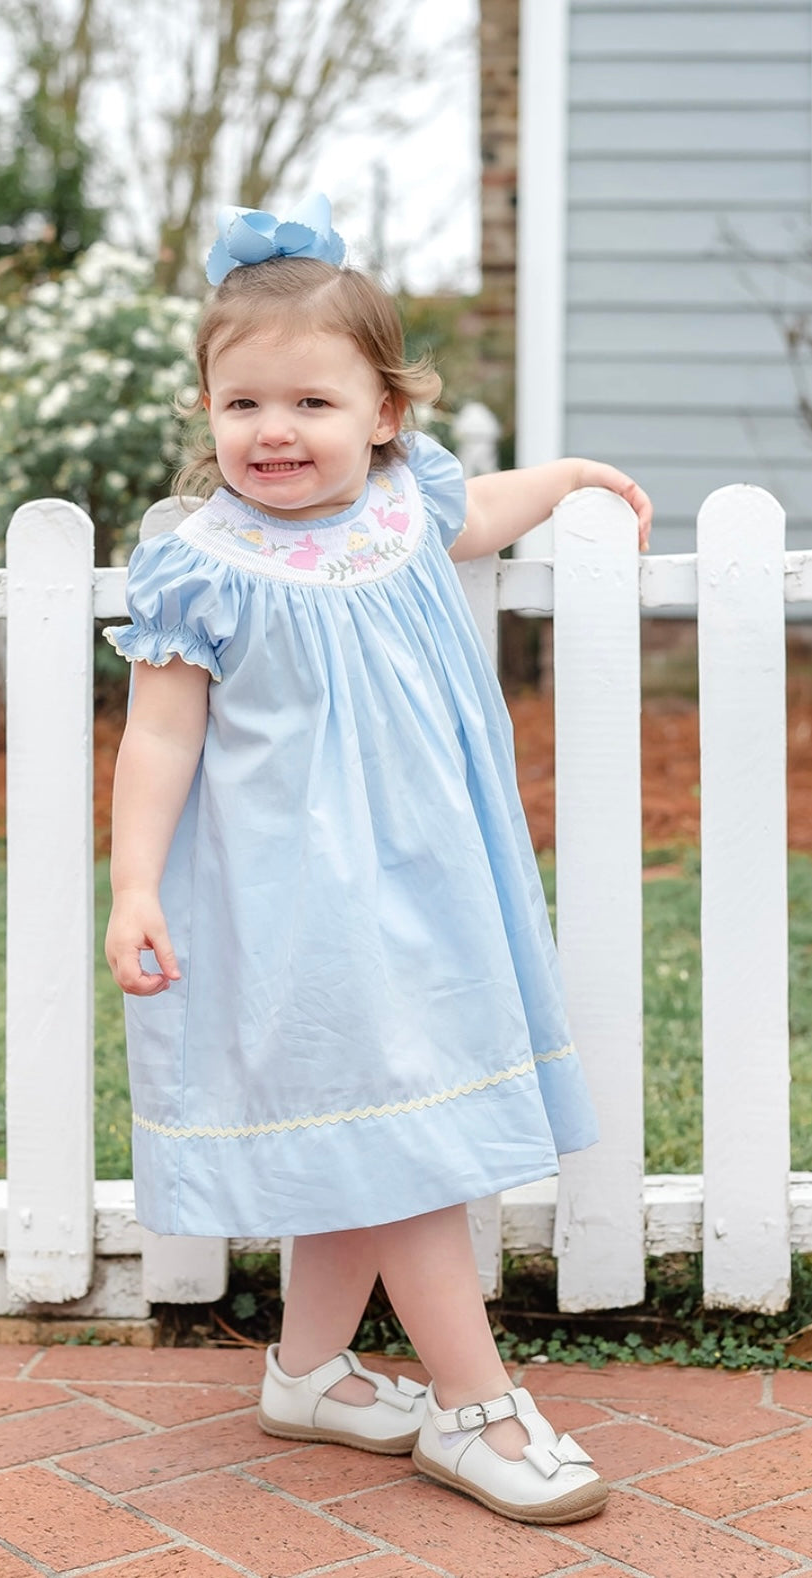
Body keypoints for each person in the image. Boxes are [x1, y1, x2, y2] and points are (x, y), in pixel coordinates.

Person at [103, 195, 651, 1527]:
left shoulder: (409, 510)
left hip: (431, 878)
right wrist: (130, 885)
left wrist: (568, 478)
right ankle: (473, 1403)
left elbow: (486, 512)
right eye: (241, 405)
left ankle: (303, 1372)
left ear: (386, 413)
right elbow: (160, 736)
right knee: (397, 1128)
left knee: (367, 1116)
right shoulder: (202, 563)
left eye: (309, 402)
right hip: (298, 902)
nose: (273, 430)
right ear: (206, 413)